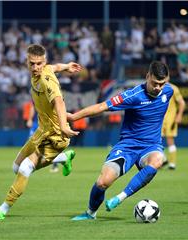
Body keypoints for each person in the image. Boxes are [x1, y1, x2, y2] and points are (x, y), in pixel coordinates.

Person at [69, 61, 173, 220]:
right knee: (103, 182)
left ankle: (120, 197)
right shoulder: (133, 96)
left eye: (162, 83)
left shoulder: (169, 91)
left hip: (151, 146)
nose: (158, 87)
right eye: (155, 83)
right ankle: (90, 213)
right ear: (147, 77)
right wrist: (73, 117)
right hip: (128, 147)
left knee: (158, 159)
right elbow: (102, 106)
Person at [0, 44, 82, 220]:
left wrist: (63, 125)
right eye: (32, 63)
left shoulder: (46, 80)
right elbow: (55, 67)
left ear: (43, 61)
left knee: (25, 167)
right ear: (27, 62)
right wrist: (67, 66)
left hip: (55, 136)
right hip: (41, 130)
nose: (36, 67)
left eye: (39, 63)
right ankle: (64, 158)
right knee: (15, 167)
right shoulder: (45, 69)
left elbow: (59, 103)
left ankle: (3, 209)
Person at [161, 83, 185, 170]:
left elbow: (182, 102)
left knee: (170, 139)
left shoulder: (173, 88)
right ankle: (163, 160)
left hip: (170, 119)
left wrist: (179, 115)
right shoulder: (156, 87)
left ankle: (172, 164)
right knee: (154, 140)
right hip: (159, 118)